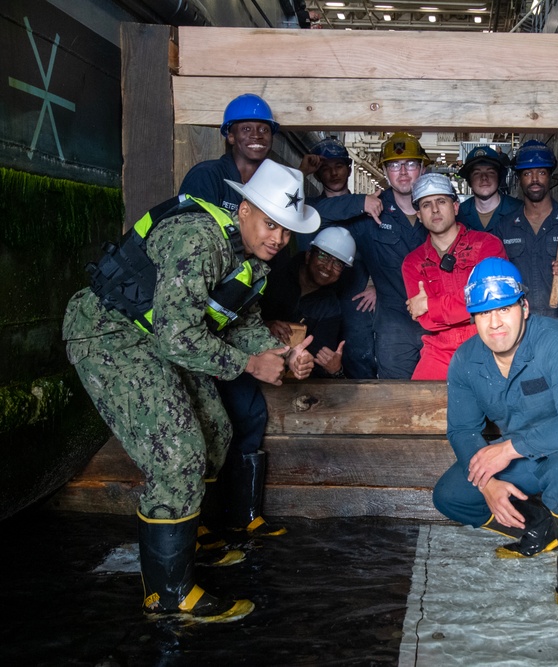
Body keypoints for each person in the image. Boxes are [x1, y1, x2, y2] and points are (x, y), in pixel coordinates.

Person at [63, 160, 319, 622]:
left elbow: (240, 323)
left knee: (215, 430)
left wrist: (283, 356)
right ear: (244, 210)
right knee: (176, 453)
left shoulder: (250, 258)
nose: (278, 239)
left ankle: (191, 536)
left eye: (286, 231)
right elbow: (177, 337)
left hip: (155, 338)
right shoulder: (199, 241)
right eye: (270, 224)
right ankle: (168, 595)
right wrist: (248, 364)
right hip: (110, 336)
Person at [432, 258, 558, 610]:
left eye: (504, 308)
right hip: (524, 455)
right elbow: (462, 429)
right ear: (473, 318)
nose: (495, 323)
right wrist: (487, 483)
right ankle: (540, 524)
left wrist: (506, 450)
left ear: (524, 307)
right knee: (451, 495)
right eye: (484, 313)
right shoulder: (466, 359)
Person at [177, 94, 288, 539]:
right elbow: (189, 274)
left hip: (227, 323)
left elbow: (245, 294)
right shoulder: (206, 179)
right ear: (228, 135)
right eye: (246, 128)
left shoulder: (275, 185)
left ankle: (242, 516)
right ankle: (198, 528)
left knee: (246, 413)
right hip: (186, 326)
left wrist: (275, 347)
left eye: (264, 129)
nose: (257, 135)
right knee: (196, 430)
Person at [402, 173, 506, 380]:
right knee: (416, 406)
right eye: (426, 205)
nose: (434, 210)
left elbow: (490, 302)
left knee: (500, 406)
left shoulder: (487, 245)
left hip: (487, 342)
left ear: (456, 207)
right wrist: (471, 305)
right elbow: (426, 322)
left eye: (441, 201)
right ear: (419, 215)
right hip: (439, 350)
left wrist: (431, 305)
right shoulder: (412, 263)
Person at [346, 132, 431, 379]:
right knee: (396, 397)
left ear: (423, 168)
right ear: (385, 171)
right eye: (394, 165)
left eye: (411, 164)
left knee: (442, 395)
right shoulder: (372, 213)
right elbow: (318, 219)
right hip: (395, 326)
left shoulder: (438, 207)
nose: (403, 172)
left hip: (438, 323)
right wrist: (357, 203)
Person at [300, 137, 380, 379]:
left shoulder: (370, 212)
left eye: (339, 166)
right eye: (325, 168)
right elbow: (282, 201)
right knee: (312, 359)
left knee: (359, 359)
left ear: (349, 168)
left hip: (355, 301)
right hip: (315, 302)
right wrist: (300, 172)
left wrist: (378, 287)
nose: (333, 173)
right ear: (317, 174)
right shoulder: (309, 209)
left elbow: (387, 255)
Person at [493, 140, 558, 330]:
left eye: (541, 172)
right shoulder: (505, 227)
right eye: (527, 173)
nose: (535, 179)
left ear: (550, 176)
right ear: (519, 178)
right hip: (520, 323)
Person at [262, 226, 358, 378]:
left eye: (338, 264)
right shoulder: (272, 275)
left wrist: (333, 368)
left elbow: (317, 359)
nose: (328, 267)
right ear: (308, 256)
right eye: (323, 257)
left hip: (288, 379)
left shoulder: (330, 307)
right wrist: (266, 325)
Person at [455, 145, 520, 232]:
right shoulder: (458, 215)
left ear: (499, 177)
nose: (484, 177)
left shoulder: (520, 210)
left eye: (490, 172)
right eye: (477, 173)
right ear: (469, 180)